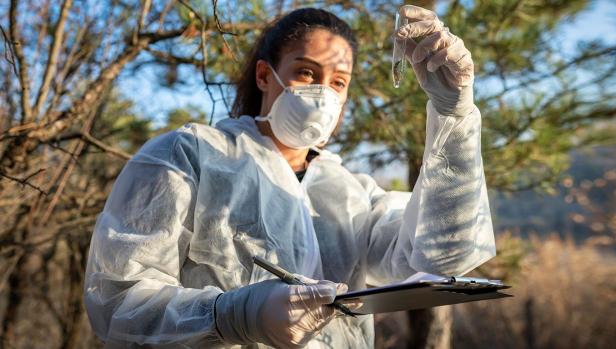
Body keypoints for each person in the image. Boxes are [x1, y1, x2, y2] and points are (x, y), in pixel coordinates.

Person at [84, 4, 495, 348]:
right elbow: (118, 301)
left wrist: (452, 114)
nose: (324, 94)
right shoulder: (187, 156)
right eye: (306, 72)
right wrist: (236, 315)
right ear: (265, 75)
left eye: (338, 82)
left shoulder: (352, 195)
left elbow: (442, 254)